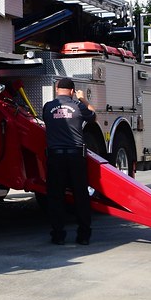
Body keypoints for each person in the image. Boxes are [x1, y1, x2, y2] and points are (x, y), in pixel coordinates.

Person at [43, 77, 96, 245]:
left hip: (55, 156)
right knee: (81, 196)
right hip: (75, 156)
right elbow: (93, 116)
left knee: (56, 197)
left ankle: (58, 235)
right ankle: (83, 236)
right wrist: (83, 99)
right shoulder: (78, 106)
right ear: (72, 91)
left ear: (56, 89)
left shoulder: (48, 107)